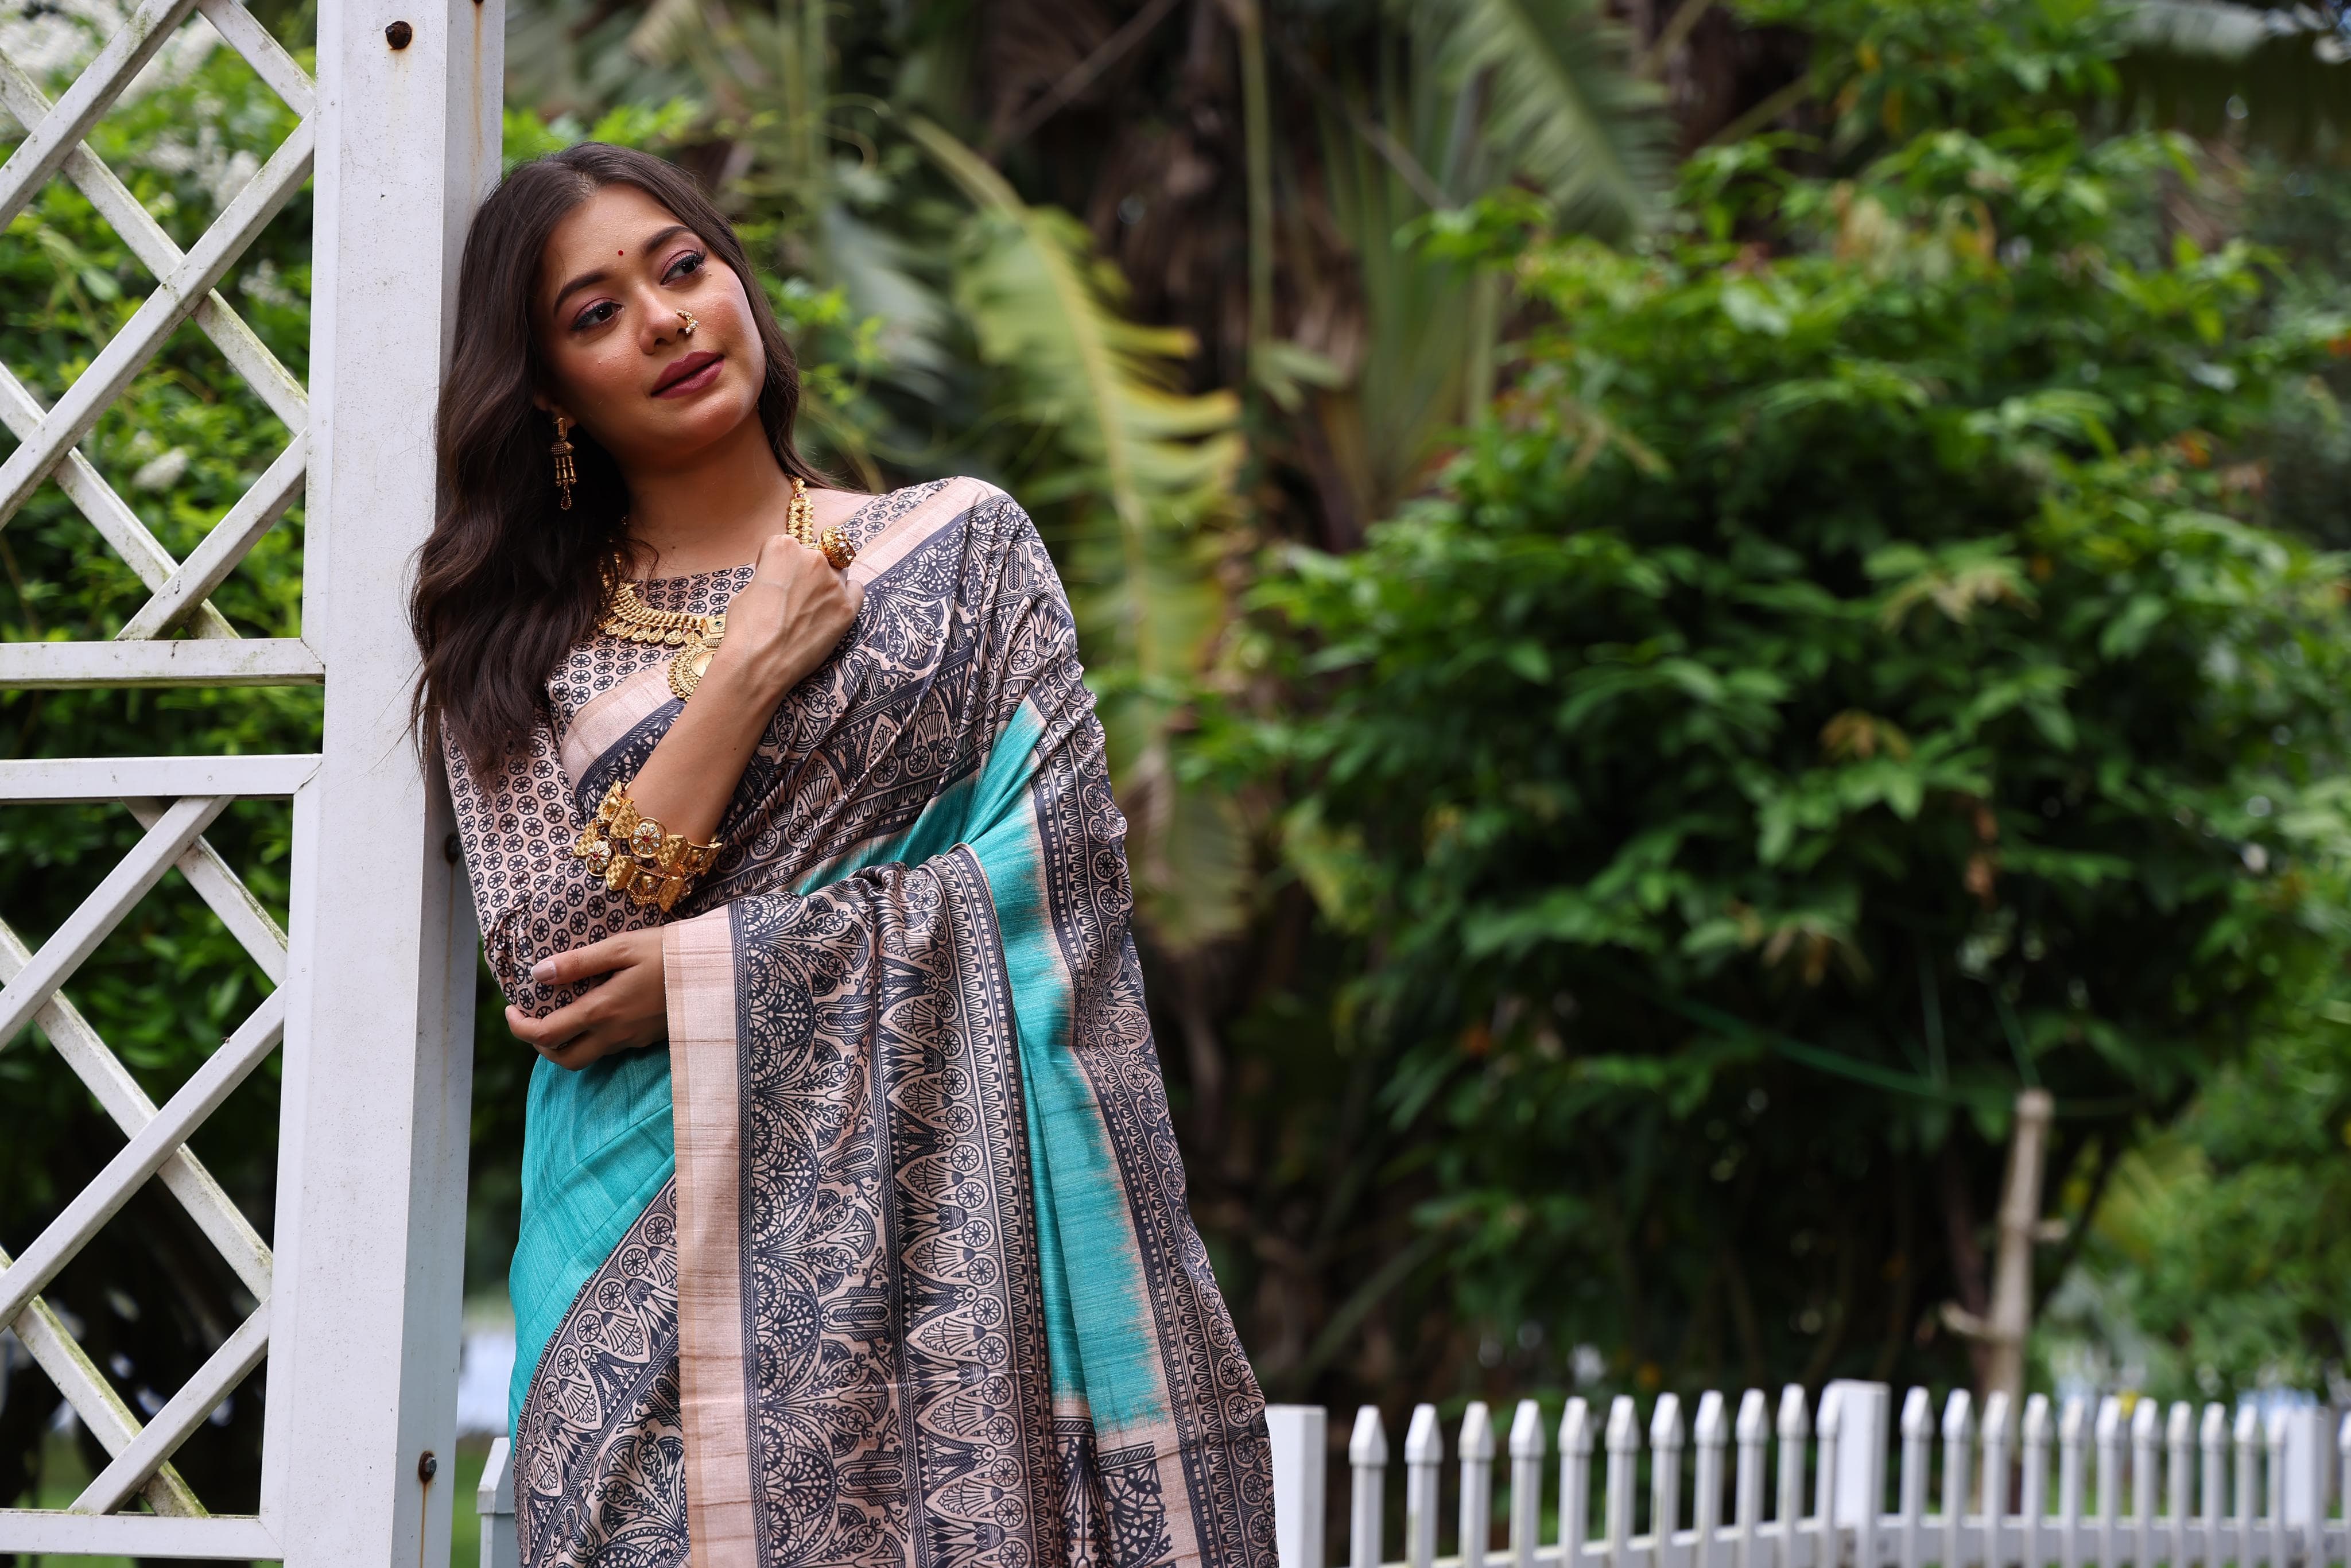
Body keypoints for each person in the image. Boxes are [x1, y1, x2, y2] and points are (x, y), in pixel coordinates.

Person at [411, 142, 1275, 1568]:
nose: (666, 320)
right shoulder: (514, 643)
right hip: (639, 1271)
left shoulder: (962, 550)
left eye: (683, 268)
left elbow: (1062, 878)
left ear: (737, 282)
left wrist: (716, 969)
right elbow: (549, 964)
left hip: (965, 1276)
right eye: (596, 313)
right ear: (549, 393)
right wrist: (749, 667)